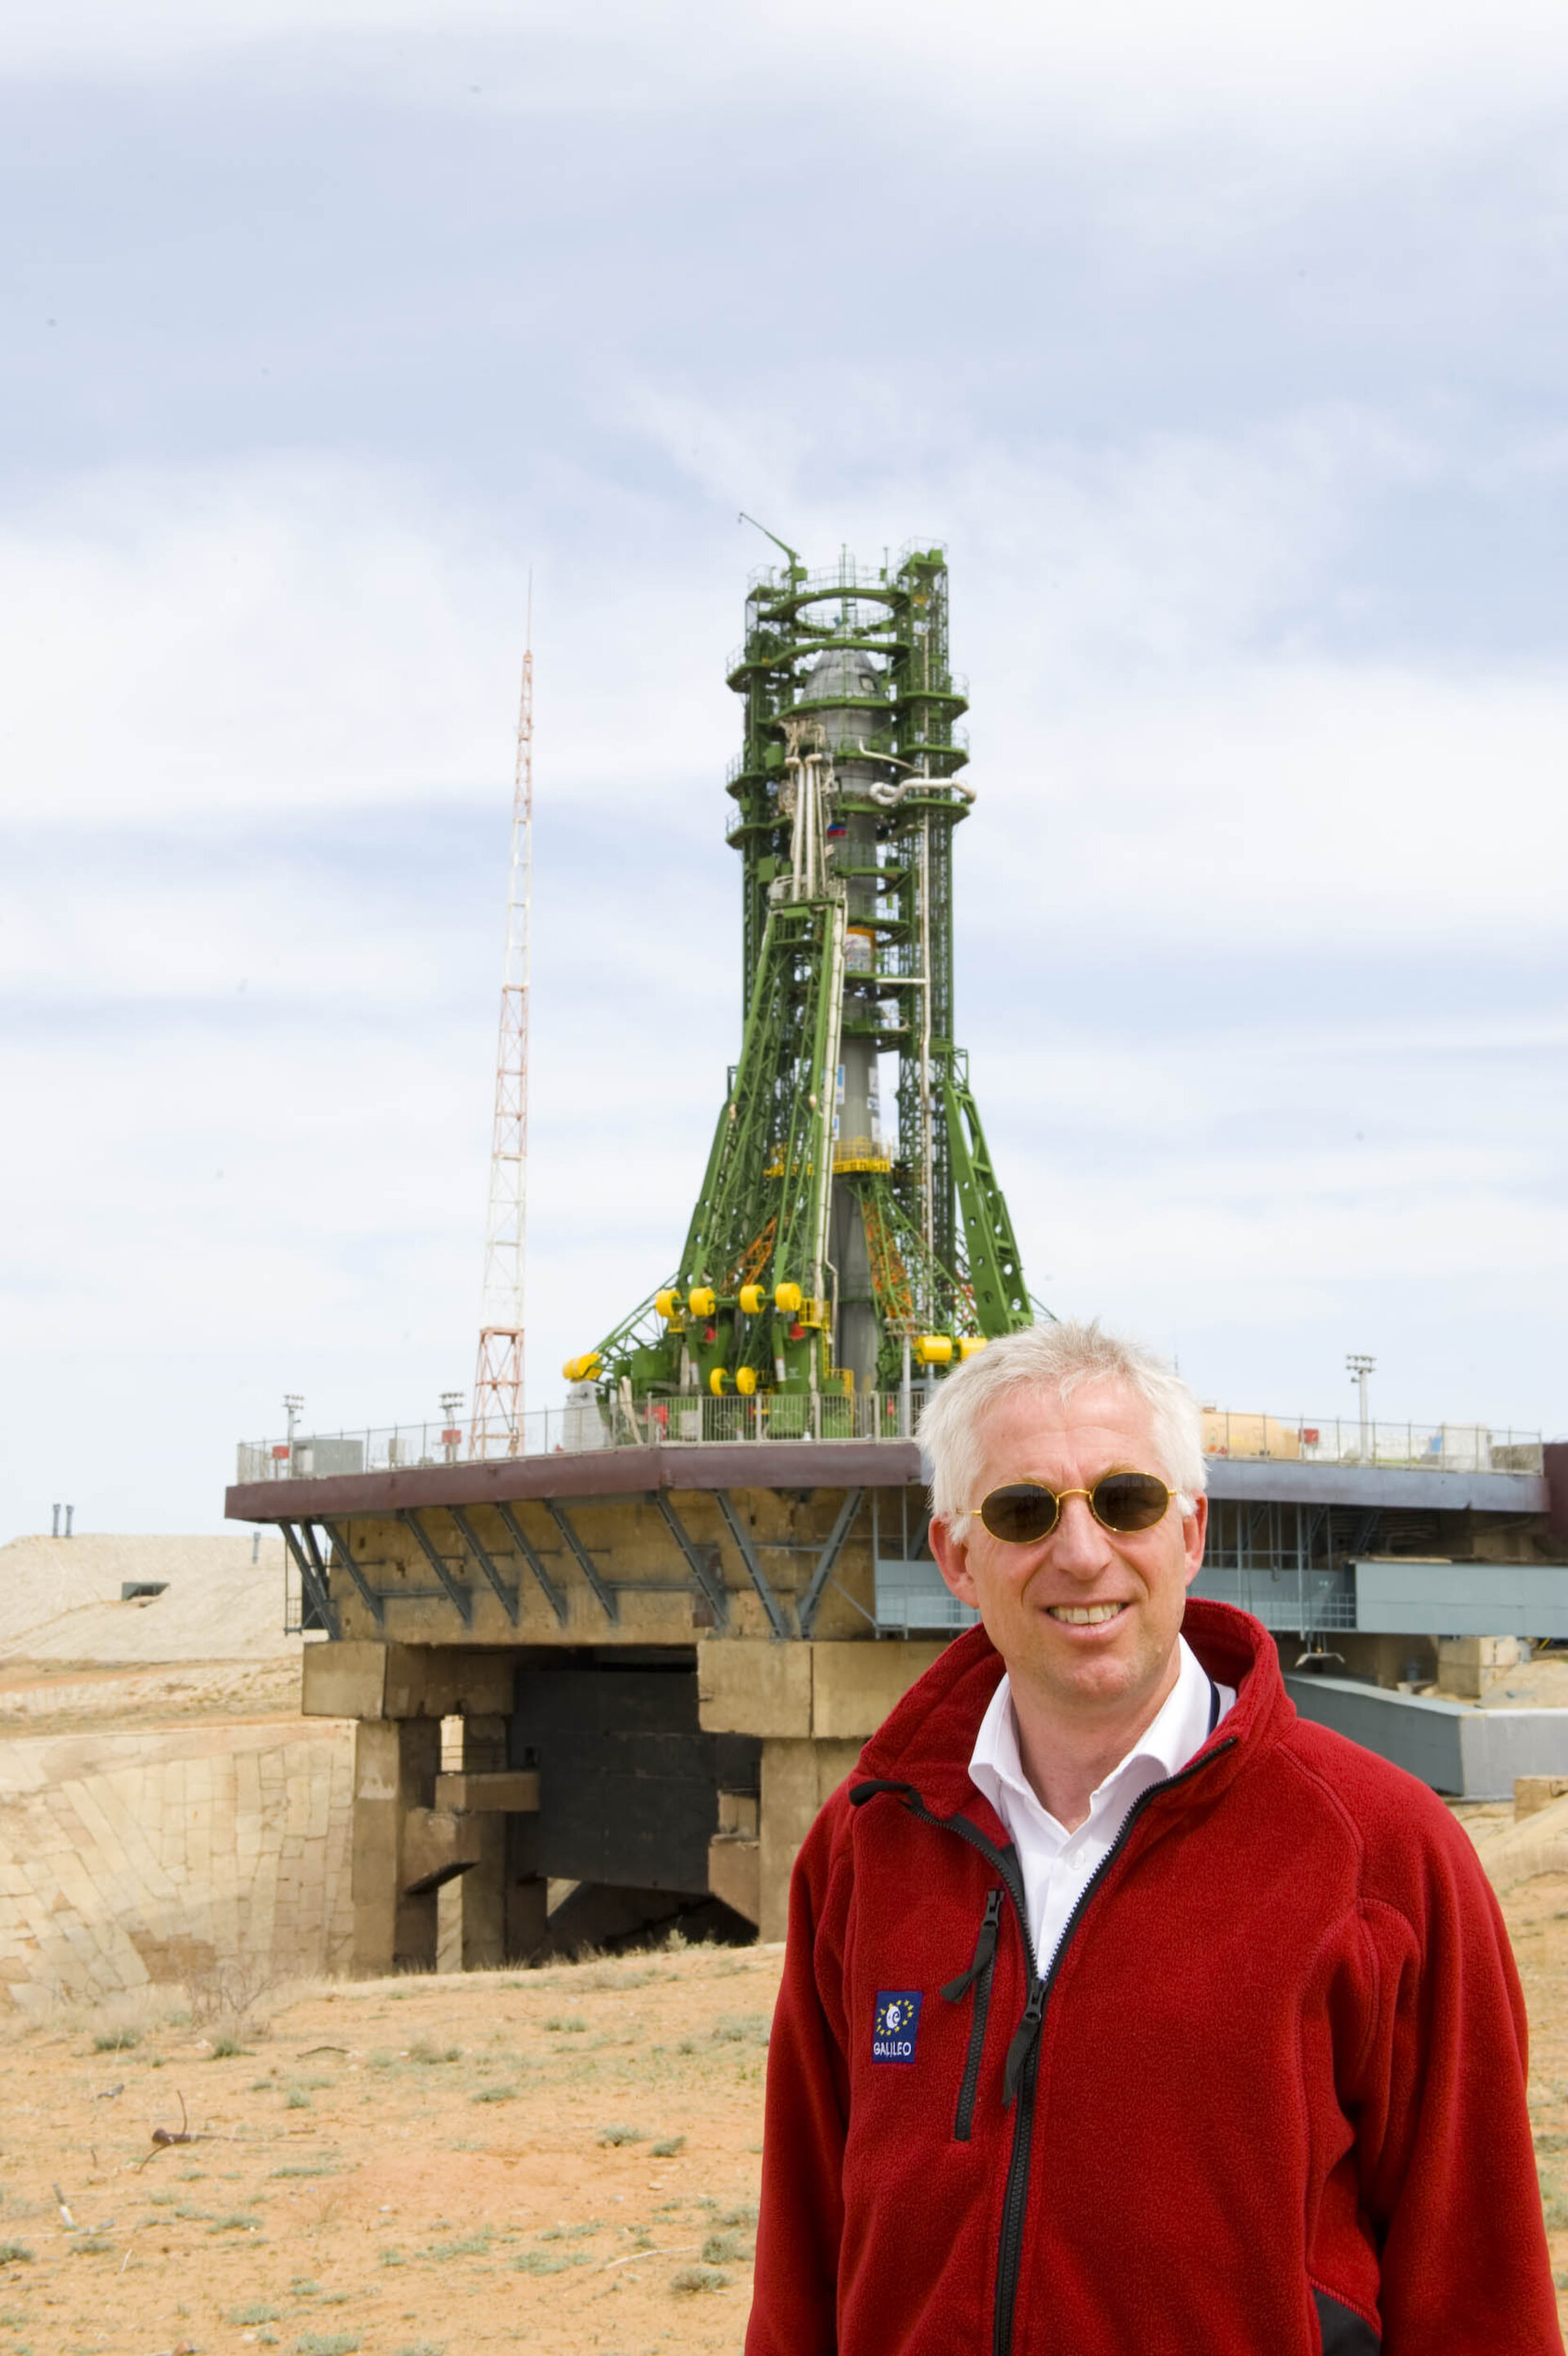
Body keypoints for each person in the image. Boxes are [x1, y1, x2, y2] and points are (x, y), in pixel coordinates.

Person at [746, 1320, 1558, 2354]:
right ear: (957, 1552)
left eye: (1125, 1500)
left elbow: (1481, 2287)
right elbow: (802, 2261)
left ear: (1191, 1532)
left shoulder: (1384, 1853)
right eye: (1023, 1509)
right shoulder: (867, 1843)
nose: (1082, 1553)